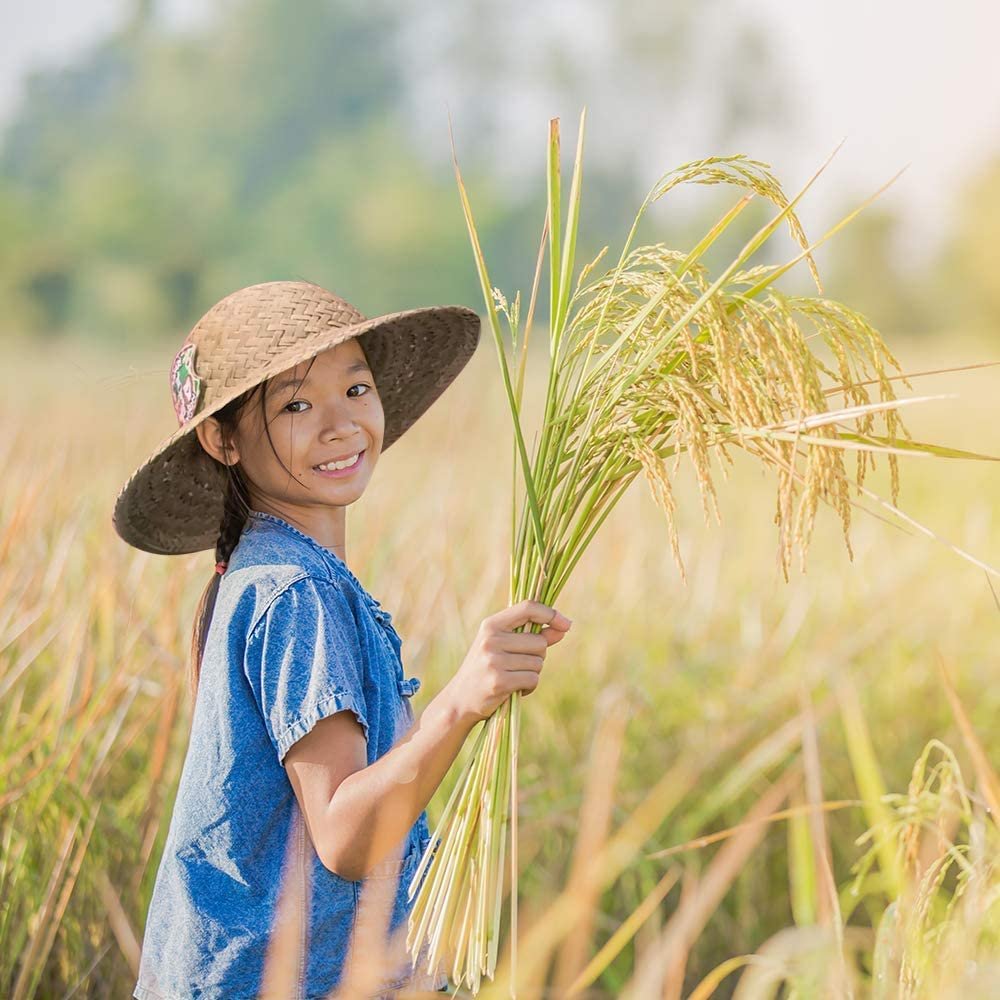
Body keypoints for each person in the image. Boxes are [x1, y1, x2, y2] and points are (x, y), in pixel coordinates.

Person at [113, 280, 574, 1000]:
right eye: (296, 405)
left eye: (357, 390)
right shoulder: (295, 592)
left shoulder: (269, 574)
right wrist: (462, 701)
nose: (339, 424)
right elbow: (346, 837)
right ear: (221, 439)